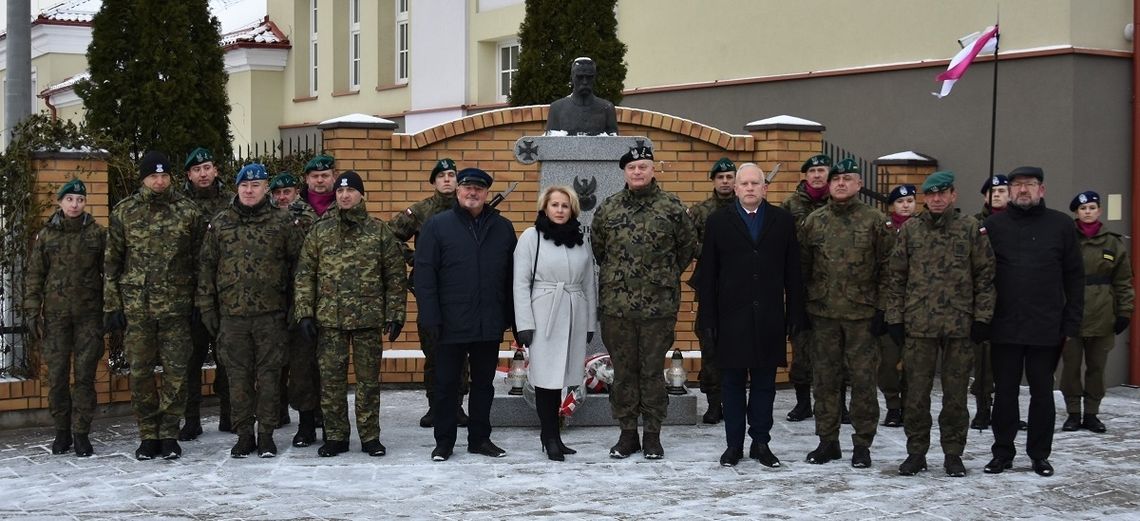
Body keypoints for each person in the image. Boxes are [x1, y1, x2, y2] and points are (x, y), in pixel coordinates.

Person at [885, 171, 995, 477]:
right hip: (918, 325)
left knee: (956, 395)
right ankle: (916, 452)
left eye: (942, 193)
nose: (936, 199)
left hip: (960, 326)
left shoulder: (970, 228)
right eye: (931, 194)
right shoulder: (911, 231)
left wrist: (983, 318)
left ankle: (953, 453)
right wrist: (894, 317)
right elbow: (896, 278)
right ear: (925, 197)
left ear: (953, 195)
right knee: (916, 394)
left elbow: (985, 277)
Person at [592, 144, 698, 459]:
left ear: (653, 170)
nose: (638, 172)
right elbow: (600, 249)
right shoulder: (608, 209)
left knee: (652, 371)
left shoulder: (672, 208)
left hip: (658, 308)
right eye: (632, 168)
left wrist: (659, 278)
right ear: (624, 172)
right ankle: (627, 434)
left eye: (643, 166)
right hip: (617, 308)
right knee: (623, 371)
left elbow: (685, 249)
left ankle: (652, 434)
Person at [293, 171, 407, 457]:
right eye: (341, 192)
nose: (345, 196)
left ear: (361, 195)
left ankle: (370, 436)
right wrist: (304, 312)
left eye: (351, 191)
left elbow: (394, 276)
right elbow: (305, 274)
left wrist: (395, 313)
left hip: (368, 320)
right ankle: (336, 436)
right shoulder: (321, 231)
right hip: (329, 320)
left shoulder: (378, 231)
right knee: (331, 382)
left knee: (368, 383)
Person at [697, 164, 803, 468]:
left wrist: (794, 311)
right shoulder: (719, 222)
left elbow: (793, 271)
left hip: (769, 316)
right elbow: (708, 276)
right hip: (731, 318)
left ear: (765, 188)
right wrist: (708, 319)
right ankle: (734, 445)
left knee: (764, 385)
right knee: (731, 384)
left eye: (755, 183)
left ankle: (760, 442)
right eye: (744, 183)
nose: (750, 188)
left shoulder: (782, 221)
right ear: (736, 188)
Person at [197, 163, 304, 458]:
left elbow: (299, 268)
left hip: (271, 315)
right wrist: (207, 309)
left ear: (265, 188)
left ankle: (266, 434)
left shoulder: (283, 222)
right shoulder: (220, 223)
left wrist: (297, 307)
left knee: (270, 378)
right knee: (237, 378)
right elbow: (206, 268)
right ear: (237, 188)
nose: (249, 190)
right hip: (232, 318)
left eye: (255, 185)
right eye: (244, 185)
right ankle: (244, 433)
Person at [982, 166, 1083, 477]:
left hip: (1045, 325)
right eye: (1017, 185)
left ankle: (1039, 454)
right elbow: (981, 276)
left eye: (1030, 184)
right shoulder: (993, 226)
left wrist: (1071, 323)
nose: (1023, 190)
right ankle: (1002, 452)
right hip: (1004, 325)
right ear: (1009, 191)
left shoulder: (1061, 225)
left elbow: (1075, 277)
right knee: (1005, 392)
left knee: (1042, 393)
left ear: (1042, 190)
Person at [104, 151, 205, 460]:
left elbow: (202, 261)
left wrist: (200, 302)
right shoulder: (125, 212)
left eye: (164, 176)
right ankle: (149, 433)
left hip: (177, 308)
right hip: (138, 308)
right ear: (143, 179)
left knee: (177, 372)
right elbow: (112, 263)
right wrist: (112, 305)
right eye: (153, 176)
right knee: (141, 373)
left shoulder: (188, 212)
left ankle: (169, 434)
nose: (159, 181)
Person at [415, 167, 517, 462]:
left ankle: (480, 438)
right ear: (458, 191)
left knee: (484, 385)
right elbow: (424, 275)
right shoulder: (437, 226)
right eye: (467, 188)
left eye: (479, 189)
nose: (472, 193)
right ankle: (444, 442)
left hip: (488, 321)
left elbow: (511, 277)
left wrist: (513, 319)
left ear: (486, 194)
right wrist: (430, 316)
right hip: (450, 323)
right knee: (447, 385)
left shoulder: (503, 228)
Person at [799, 158, 892, 468]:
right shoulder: (814, 221)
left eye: (847, 179)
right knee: (825, 380)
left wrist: (882, 309)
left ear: (858, 184)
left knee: (864, 382)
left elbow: (888, 268)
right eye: (836, 178)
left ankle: (862, 444)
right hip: (823, 315)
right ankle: (828, 441)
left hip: (862, 317)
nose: (840, 183)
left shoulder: (875, 221)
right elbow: (803, 268)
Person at [512, 185, 597, 461]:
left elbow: (588, 282)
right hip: (544, 313)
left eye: (565, 205)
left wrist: (589, 323)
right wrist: (524, 322)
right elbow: (520, 282)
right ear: (545, 207)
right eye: (555, 205)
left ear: (572, 209)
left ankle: (556, 437)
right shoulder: (531, 237)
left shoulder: (579, 239)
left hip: (573, 311)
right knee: (546, 380)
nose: (560, 210)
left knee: (563, 379)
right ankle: (548, 436)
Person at [23, 179, 106, 457]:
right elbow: (34, 276)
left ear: (85, 203)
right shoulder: (46, 236)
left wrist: (110, 309)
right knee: (57, 377)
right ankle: (61, 431)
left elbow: (110, 274)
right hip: (56, 319)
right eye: (70, 199)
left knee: (84, 378)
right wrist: (33, 311)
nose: (75, 205)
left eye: (80, 200)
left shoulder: (97, 234)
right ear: (60, 202)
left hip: (88, 318)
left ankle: (81, 433)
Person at [389, 158, 469, 429]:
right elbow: (389, 238)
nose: (447, 179)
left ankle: (457, 407)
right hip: (430, 291)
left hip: (461, 290)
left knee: (460, 351)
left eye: (451, 175)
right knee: (434, 350)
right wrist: (414, 258)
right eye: (441, 176)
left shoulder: (468, 208)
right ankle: (435, 406)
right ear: (433, 182)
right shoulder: (421, 211)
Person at [1060, 190, 1134, 433]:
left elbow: (1123, 280)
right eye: (1083, 209)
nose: (1088, 212)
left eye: (1092, 207)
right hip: (1071, 312)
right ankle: (1073, 412)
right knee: (1070, 367)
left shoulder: (1113, 242)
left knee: (1096, 367)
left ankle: (1091, 413)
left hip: (1103, 313)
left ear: (1099, 211)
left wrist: (1125, 311)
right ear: (1076, 213)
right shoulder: (1066, 238)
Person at [180, 147, 234, 440]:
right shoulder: (179, 204)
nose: (203, 174)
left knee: (227, 358)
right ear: (189, 174)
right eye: (197, 169)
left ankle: (229, 415)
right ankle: (191, 419)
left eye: (208, 168)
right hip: (190, 296)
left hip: (224, 295)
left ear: (216, 171)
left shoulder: (231, 203)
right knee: (191, 360)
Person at [781, 154, 831, 423]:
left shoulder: (838, 202)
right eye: (812, 171)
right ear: (805, 175)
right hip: (800, 288)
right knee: (801, 347)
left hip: (835, 291)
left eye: (821, 170)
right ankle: (803, 403)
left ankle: (838, 405)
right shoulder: (790, 205)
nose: (817, 175)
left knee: (836, 352)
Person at [687, 157, 737, 425]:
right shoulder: (701, 211)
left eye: (730, 177)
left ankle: (734, 402)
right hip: (710, 288)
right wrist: (710, 253)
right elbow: (686, 241)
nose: (726, 181)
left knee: (738, 347)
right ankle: (714, 403)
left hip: (741, 288)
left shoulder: (747, 208)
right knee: (710, 345)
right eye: (721, 177)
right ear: (714, 181)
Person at [970, 174, 1009, 429]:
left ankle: (1008, 408)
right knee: (982, 358)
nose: (997, 195)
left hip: (1011, 297)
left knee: (1009, 358)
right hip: (982, 297)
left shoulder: (1018, 223)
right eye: (992, 191)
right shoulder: (974, 224)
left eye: (1002, 190)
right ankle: (983, 407)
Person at [879, 184, 917, 428]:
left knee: (914, 363)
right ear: (892, 205)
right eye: (901, 202)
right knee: (889, 362)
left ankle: (910, 406)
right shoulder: (883, 230)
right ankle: (893, 406)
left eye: (910, 201)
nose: (906, 205)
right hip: (887, 306)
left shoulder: (924, 229)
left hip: (917, 307)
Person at [545, 57, 618, 136]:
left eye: (589, 77)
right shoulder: (557, 108)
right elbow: (550, 144)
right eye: (580, 77)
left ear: (594, 78)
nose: (585, 82)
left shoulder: (607, 108)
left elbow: (613, 145)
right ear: (572, 78)